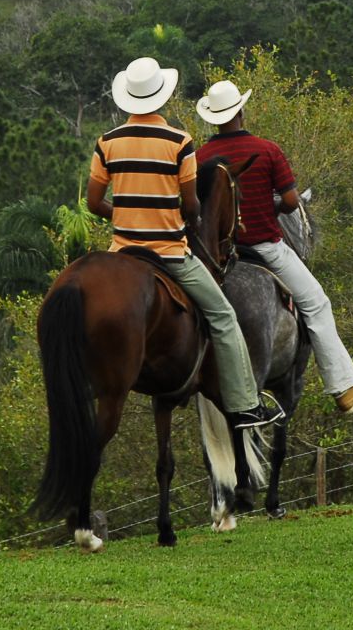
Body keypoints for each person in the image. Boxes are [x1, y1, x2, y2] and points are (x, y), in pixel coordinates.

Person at [86, 58, 283, 431]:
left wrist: (127, 215)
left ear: (128, 98)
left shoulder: (107, 142)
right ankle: (244, 406)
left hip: (122, 252)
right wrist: (172, 216)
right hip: (170, 254)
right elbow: (192, 206)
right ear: (161, 96)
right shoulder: (180, 142)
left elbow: (93, 203)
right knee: (224, 317)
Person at [195, 79, 353, 415]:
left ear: (213, 118)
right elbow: (292, 202)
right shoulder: (267, 150)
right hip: (263, 247)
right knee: (317, 303)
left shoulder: (201, 157)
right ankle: (344, 386)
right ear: (242, 112)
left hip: (214, 257)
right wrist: (269, 204)